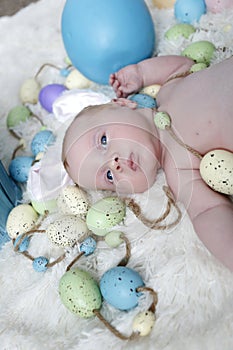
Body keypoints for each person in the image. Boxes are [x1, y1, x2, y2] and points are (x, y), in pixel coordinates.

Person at [62, 55, 233, 271]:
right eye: (109, 176)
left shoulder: (168, 91)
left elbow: (182, 65)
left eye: (103, 141)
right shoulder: (179, 170)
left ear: (123, 104)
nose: (114, 163)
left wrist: (140, 72)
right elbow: (207, 211)